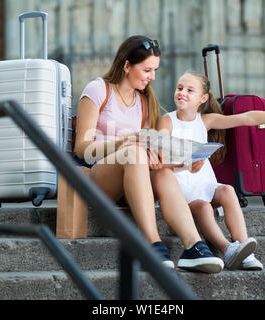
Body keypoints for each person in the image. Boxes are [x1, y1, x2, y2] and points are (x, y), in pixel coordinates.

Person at [74, 36, 224, 273]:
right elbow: (82, 148)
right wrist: (123, 143)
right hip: (98, 178)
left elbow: (149, 146)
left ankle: (193, 247)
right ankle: (152, 244)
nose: (152, 76)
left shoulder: (144, 101)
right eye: (146, 70)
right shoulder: (98, 89)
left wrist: (182, 160)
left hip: (134, 179)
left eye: (155, 70)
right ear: (126, 65)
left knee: (161, 172)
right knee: (134, 152)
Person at [157, 70, 265, 271]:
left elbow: (248, 118)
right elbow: (160, 148)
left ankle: (244, 251)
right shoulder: (167, 120)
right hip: (180, 185)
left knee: (228, 190)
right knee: (204, 207)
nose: (182, 93)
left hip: (202, 182)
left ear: (203, 98)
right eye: (180, 88)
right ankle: (228, 249)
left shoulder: (205, 120)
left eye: (190, 90)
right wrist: (184, 162)